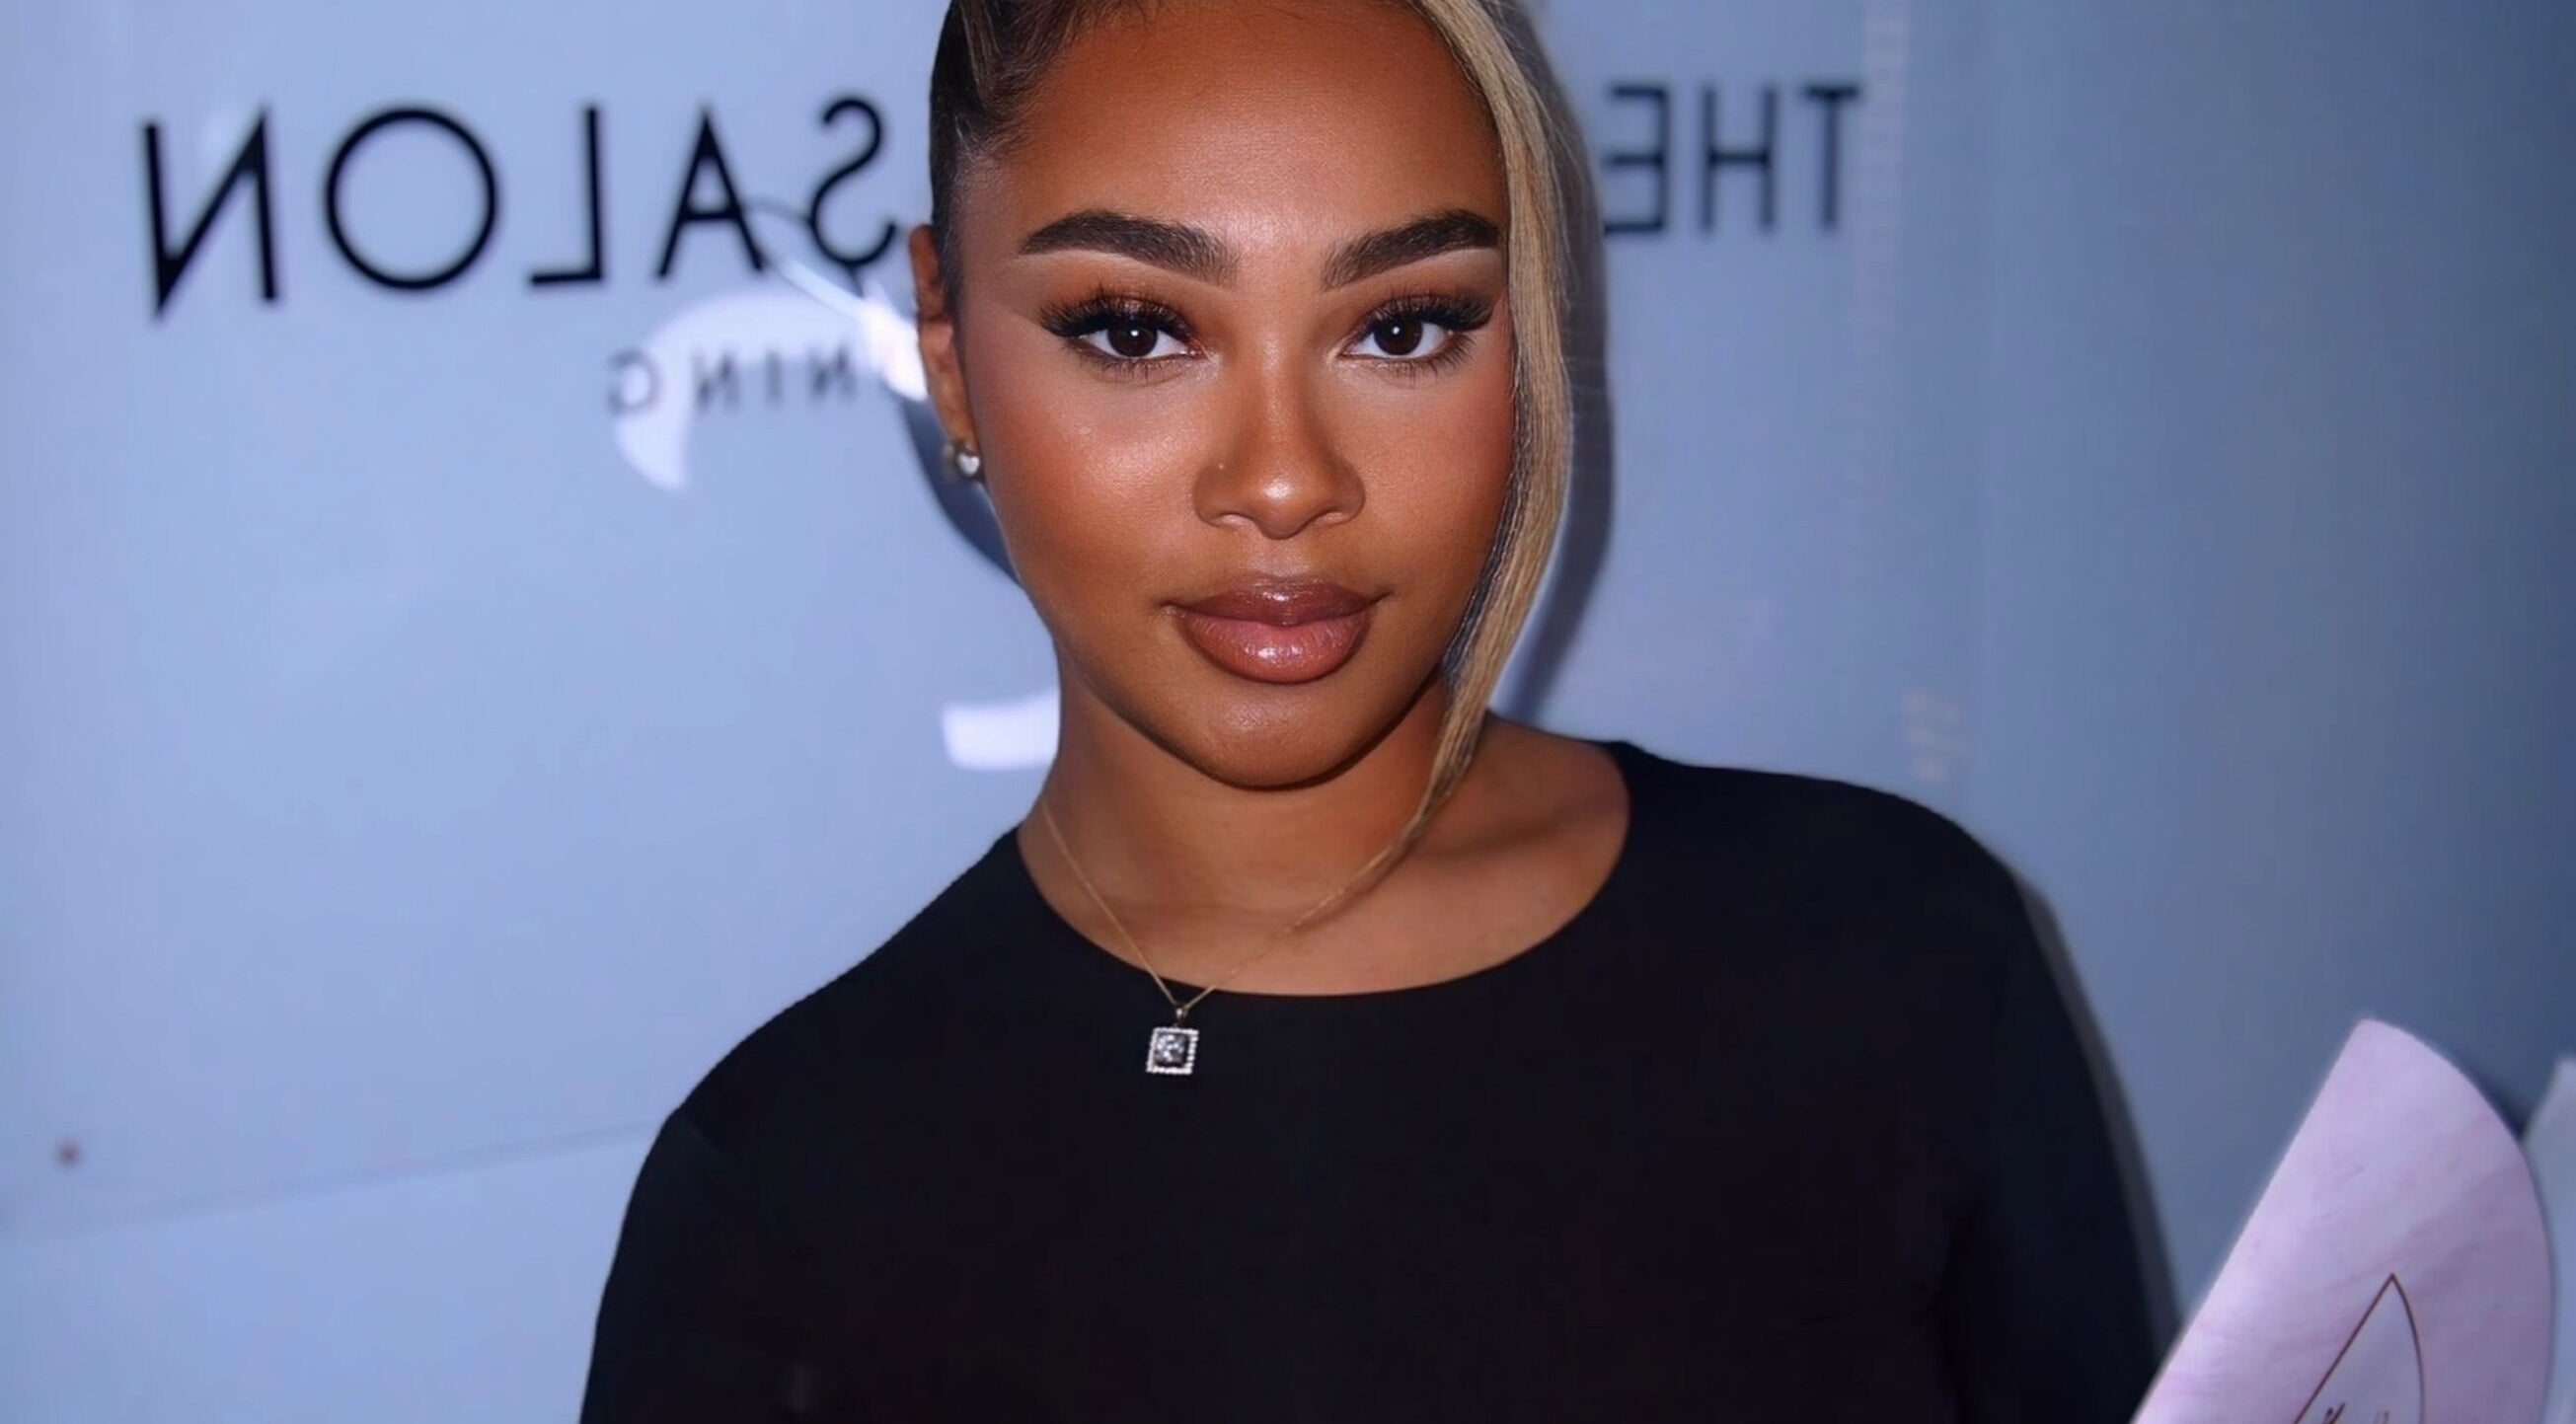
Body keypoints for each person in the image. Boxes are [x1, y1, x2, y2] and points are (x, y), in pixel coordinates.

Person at [577, 0, 2160, 1417]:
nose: (1284, 479)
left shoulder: (1901, 947)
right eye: (1135, 329)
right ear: (948, 349)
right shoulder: (788, 1200)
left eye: (1402, 327)